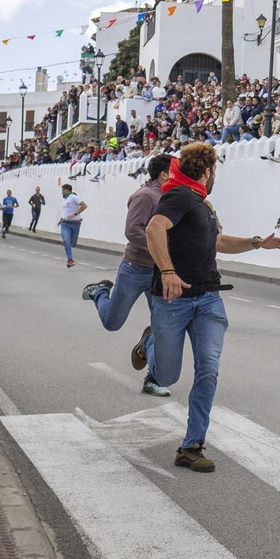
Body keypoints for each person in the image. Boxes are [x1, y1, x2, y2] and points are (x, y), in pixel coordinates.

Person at [145, 143, 280, 473]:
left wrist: (257, 243)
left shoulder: (203, 204)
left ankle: (191, 445)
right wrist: (167, 271)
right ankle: (150, 341)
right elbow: (154, 228)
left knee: (208, 370)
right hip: (172, 301)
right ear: (208, 172)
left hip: (208, 299)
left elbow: (217, 243)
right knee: (166, 375)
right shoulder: (179, 196)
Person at [82, 154, 170, 394]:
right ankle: (100, 292)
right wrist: (160, 248)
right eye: (174, 171)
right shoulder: (145, 196)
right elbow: (132, 231)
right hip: (135, 268)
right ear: (163, 174)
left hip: (161, 272)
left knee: (163, 326)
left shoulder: (169, 197)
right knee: (112, 323)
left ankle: (153, 378)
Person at [58, 183, 86, 267]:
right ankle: (70, 260)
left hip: (75, 223)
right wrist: (61, 220)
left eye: (62, 190)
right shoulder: (64, 199)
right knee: (66, 240)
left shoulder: (74, 197)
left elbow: (84, 206)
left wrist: (75, 214)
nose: (62, 192)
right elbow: (65, 211)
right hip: (65, 223)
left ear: (67, 190)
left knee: (72, 243)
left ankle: (70, 250)